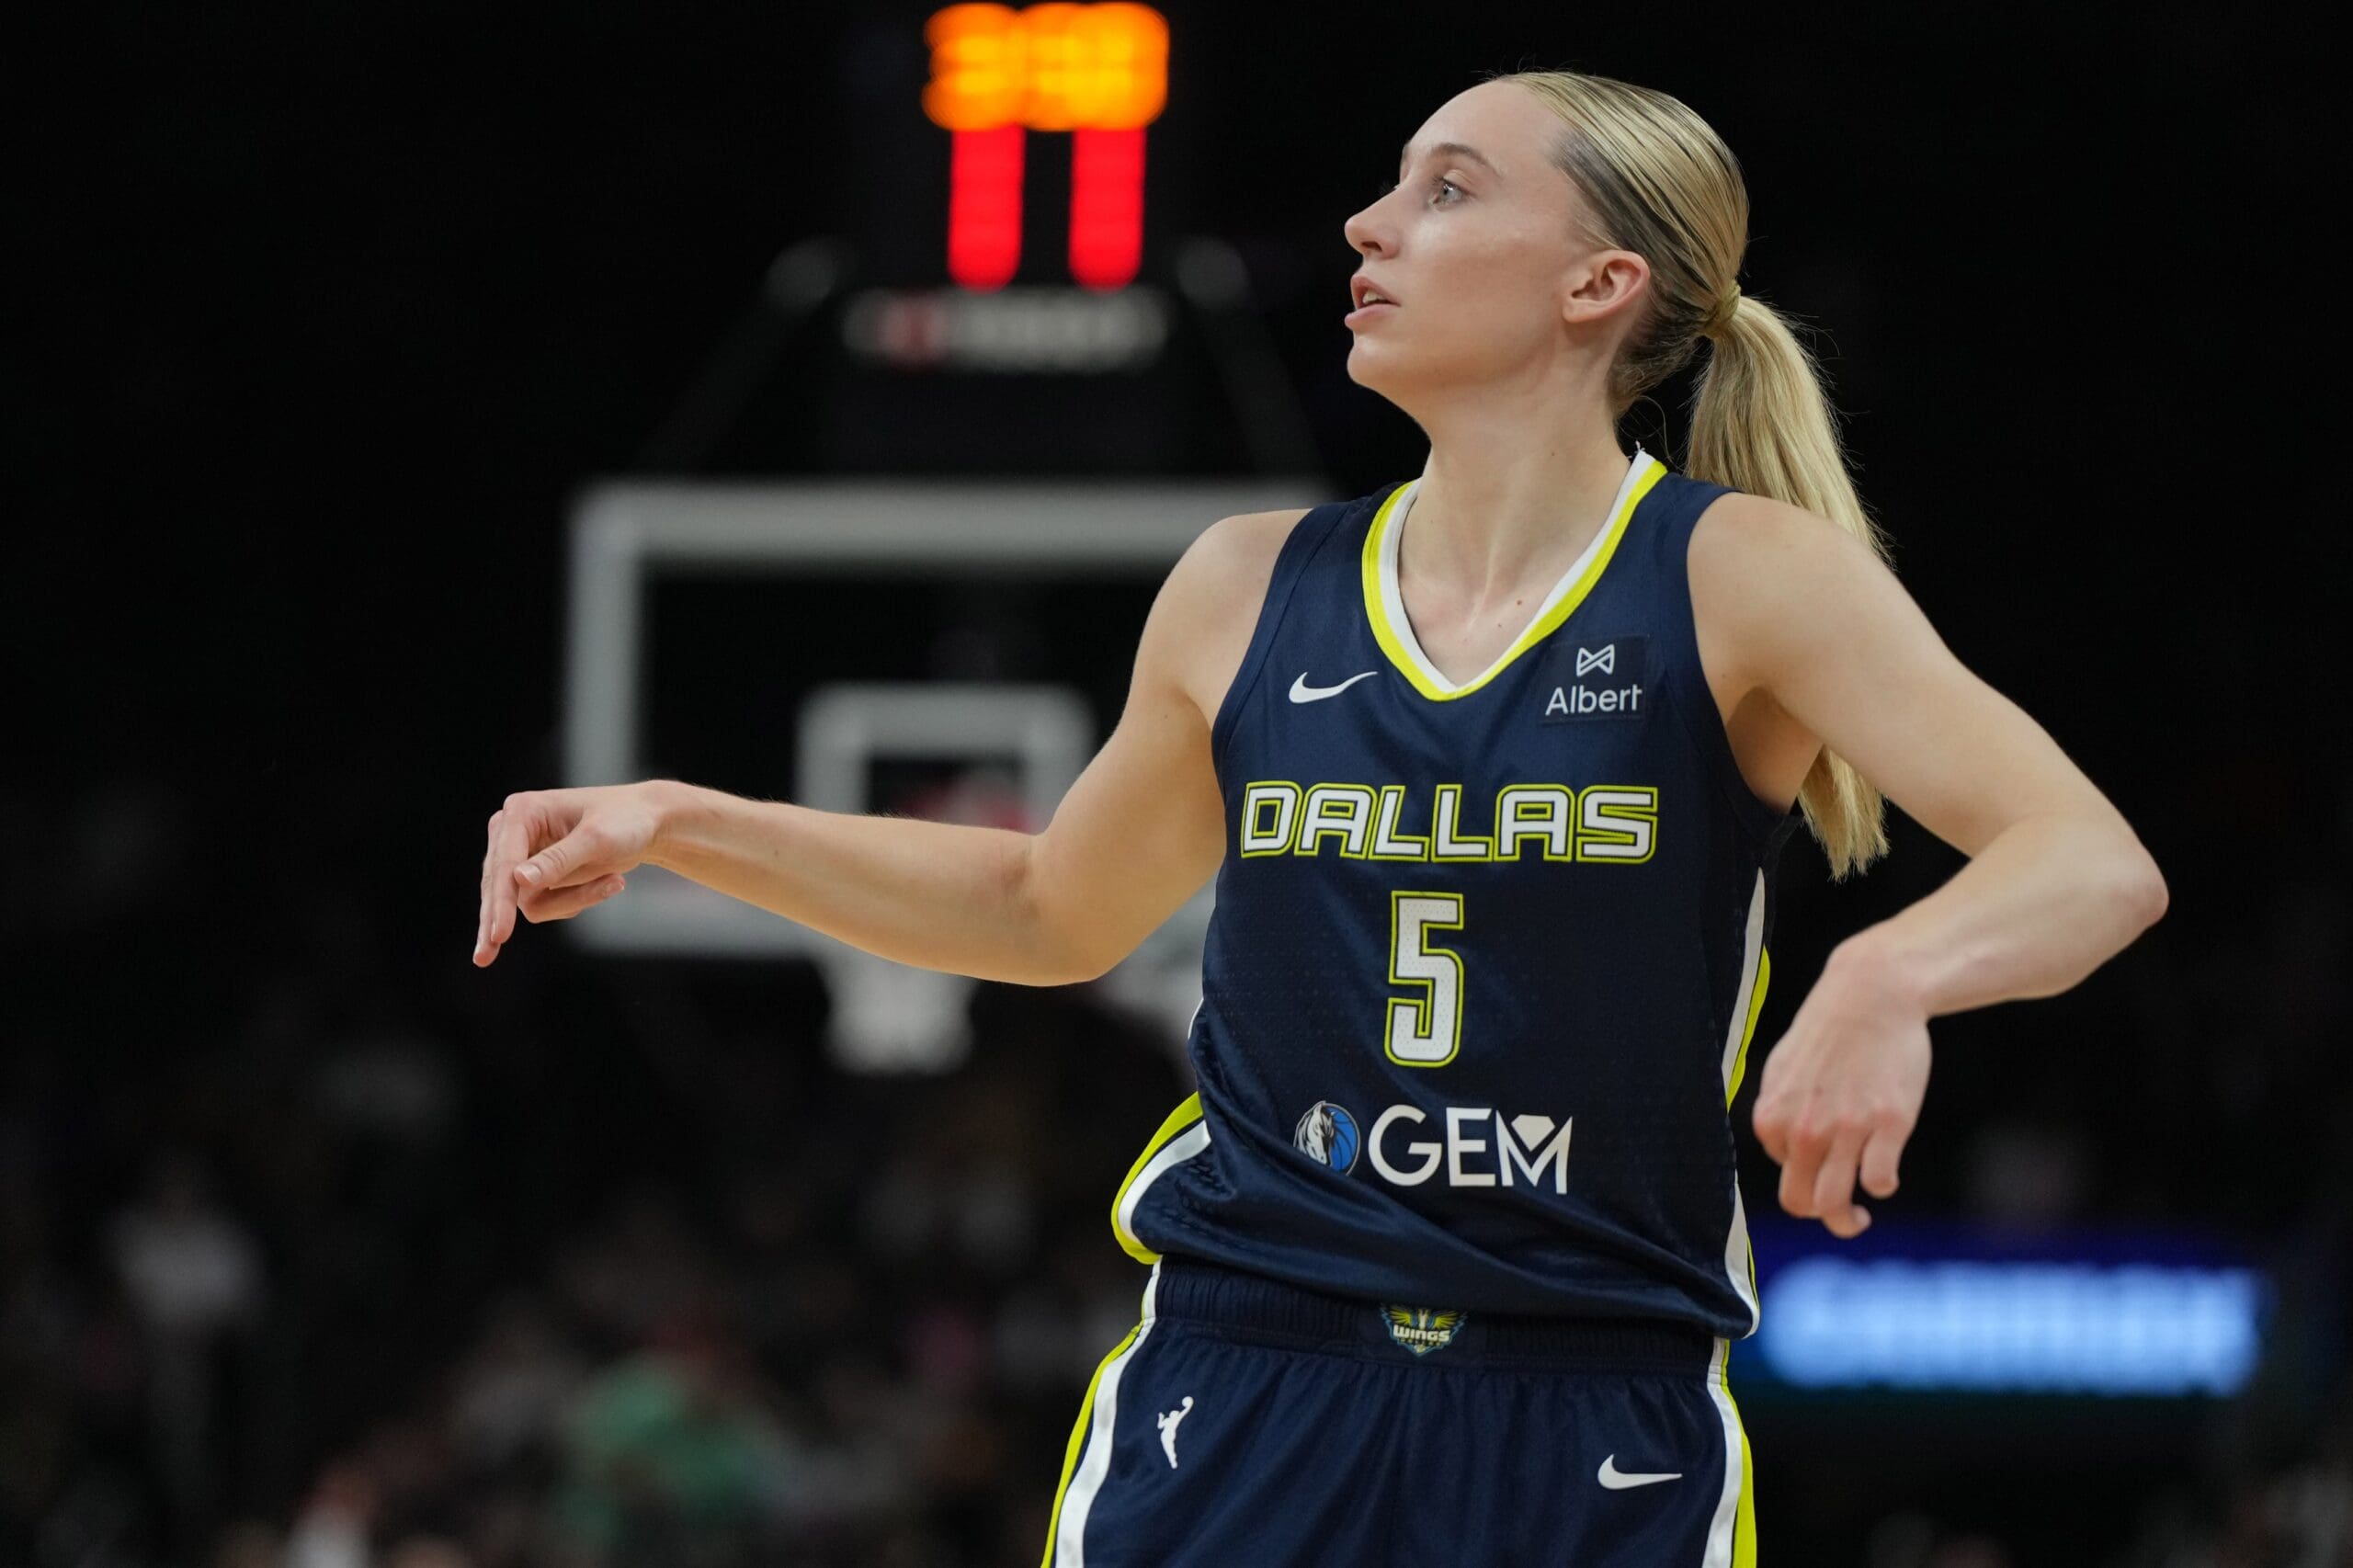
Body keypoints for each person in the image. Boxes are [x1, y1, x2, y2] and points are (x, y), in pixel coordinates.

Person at [472, 66, 2168, 1568]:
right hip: (1246, 1368)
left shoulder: (1741, 579)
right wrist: (683, 819)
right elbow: (1048, 908)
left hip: (1585, 1392)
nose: (1369, 223)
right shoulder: (1243, 585)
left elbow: (2089, 857)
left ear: (1601, 281)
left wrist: (1892, 975)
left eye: (1447, 188)